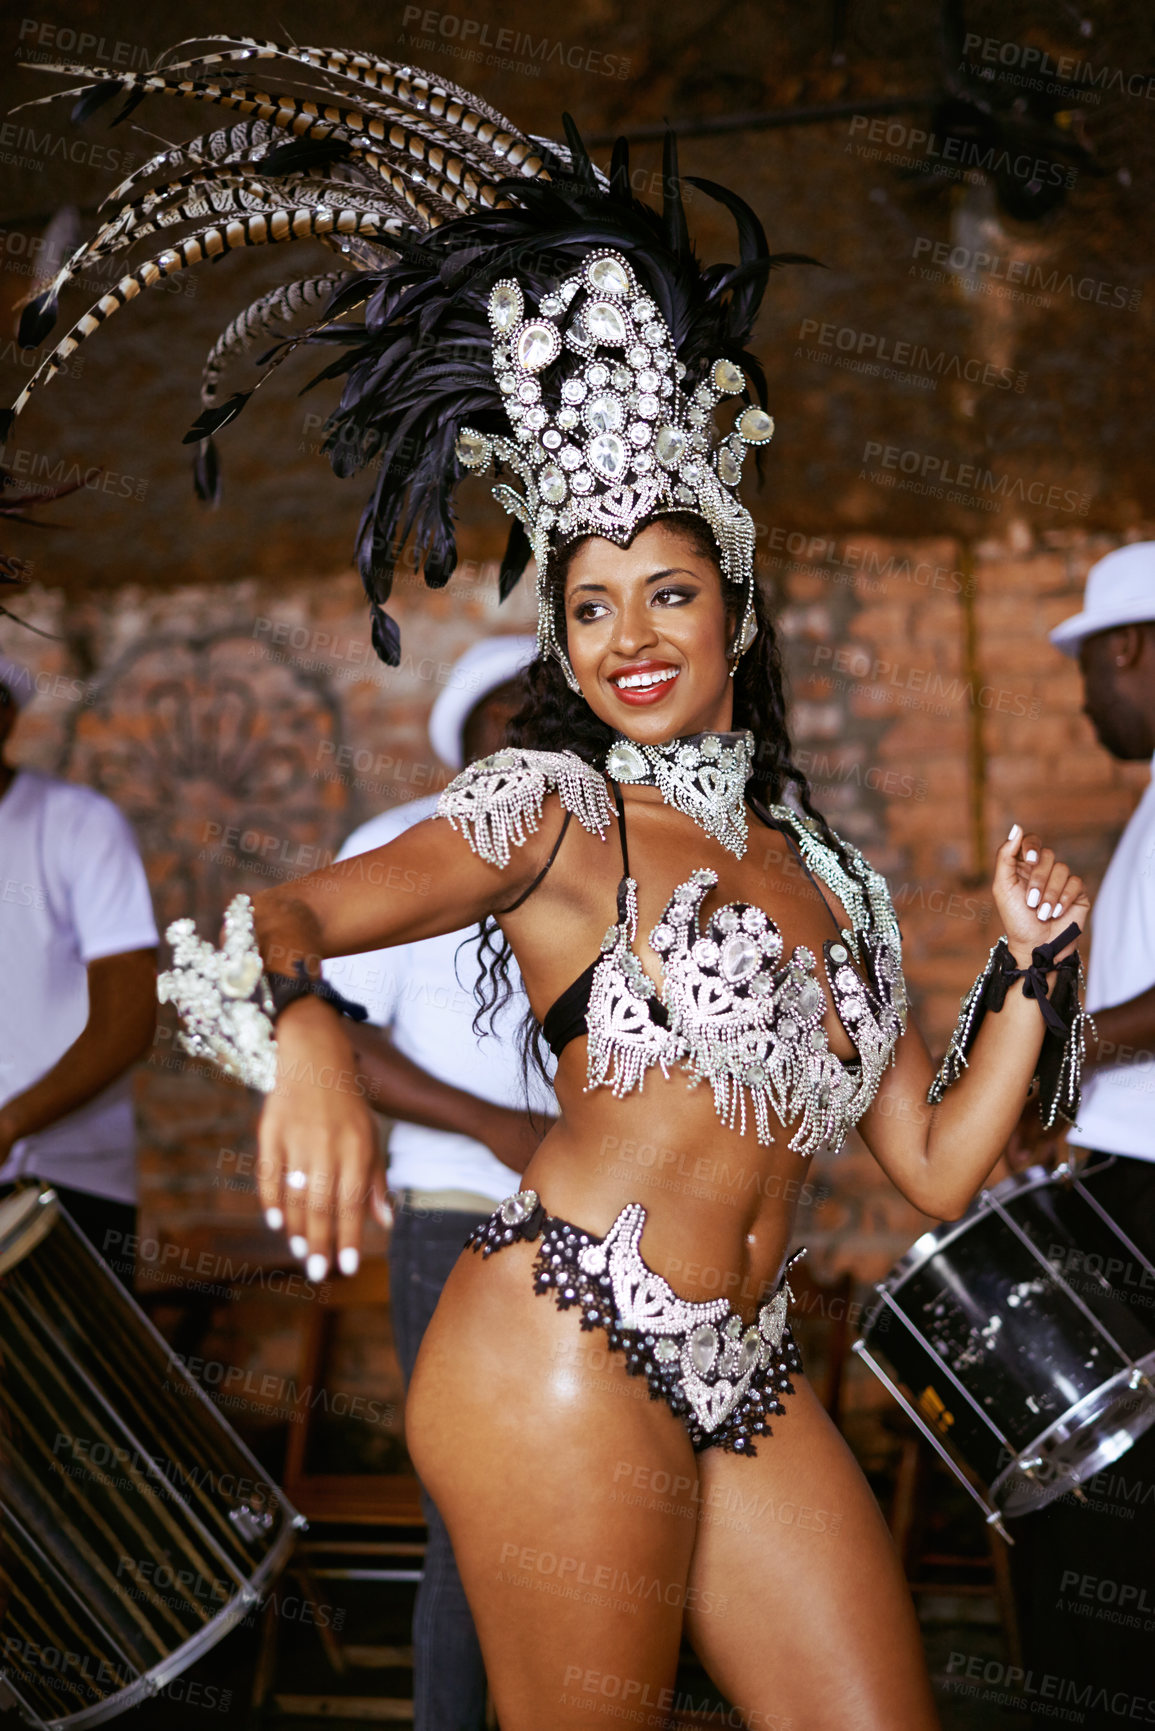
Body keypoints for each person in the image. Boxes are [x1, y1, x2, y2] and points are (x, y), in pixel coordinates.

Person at [18, 42, 1094, 1728]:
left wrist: (1034, 968)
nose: (631, 638)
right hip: (564, 1333)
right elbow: (264, 924)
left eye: (667, 596)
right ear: (563, 642)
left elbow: (941, 1163)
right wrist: (300, 1040)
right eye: (590, 608)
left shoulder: (838, 883)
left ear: (734, 609)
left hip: (748, 1374)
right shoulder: (550, 812)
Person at [320, 634, 555, 1731]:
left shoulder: (601, 861)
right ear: (461, 741)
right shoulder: (397, 849)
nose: (526, 733)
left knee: (586, 1518)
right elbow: (337, 1042)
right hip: (456, 1220)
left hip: (600, 1221)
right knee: (472, 1514)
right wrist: (496, 1127)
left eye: (545, 714)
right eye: (505, 715)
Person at [1003, 545, 1155, 1704]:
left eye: (1089, 669)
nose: (1084, 700)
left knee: (1098, 1509)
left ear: (1132, 649)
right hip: (1120, 1177)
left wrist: (1061, 1052)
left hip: (1146, 1200)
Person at [0, 653, 158, 1272]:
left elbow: (128, 1018)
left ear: (6, 717)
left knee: (73, 1369)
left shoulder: (78, 825)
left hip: (61, 1184)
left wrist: (11, 1124)